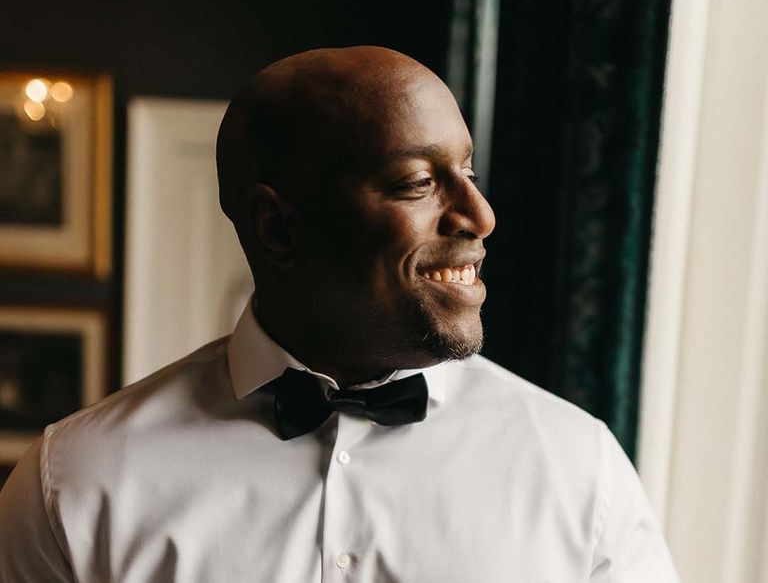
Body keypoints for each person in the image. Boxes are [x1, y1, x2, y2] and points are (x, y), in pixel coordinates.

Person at [0, 46, 679, 582]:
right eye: (418, 182)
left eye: (467, 174)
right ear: (279, 229)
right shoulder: (76, 484)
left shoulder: (577, 469)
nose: (480, 217)